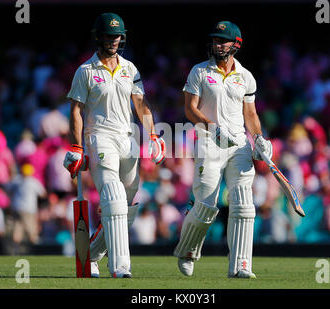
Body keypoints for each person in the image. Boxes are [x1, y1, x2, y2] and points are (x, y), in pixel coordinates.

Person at [63, 13, 165, 278]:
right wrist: (77, 146)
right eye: (108, 36)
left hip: (127, 137)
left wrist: (152, 135)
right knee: (114, 196)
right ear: (98, 37)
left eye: (116, 36)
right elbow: (76, 110)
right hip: (99, 137)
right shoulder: (85, 71)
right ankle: (120, 267)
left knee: (128, 200)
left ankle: (93, 255)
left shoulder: (130, 69)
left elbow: (141, 105)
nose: (112, 40)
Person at [173, 21, 273, 278]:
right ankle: (187, 251)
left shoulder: (245, 76)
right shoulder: (199, 71)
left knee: (243, 203)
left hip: (239, 144)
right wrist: (211, 126)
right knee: (206, 203)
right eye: (215, 40)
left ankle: (240, 265)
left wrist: (259, 138)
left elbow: (249, 113)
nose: (217, 44)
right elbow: (189, 108)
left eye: (223, 41)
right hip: (209, 142)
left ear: (236, 44)